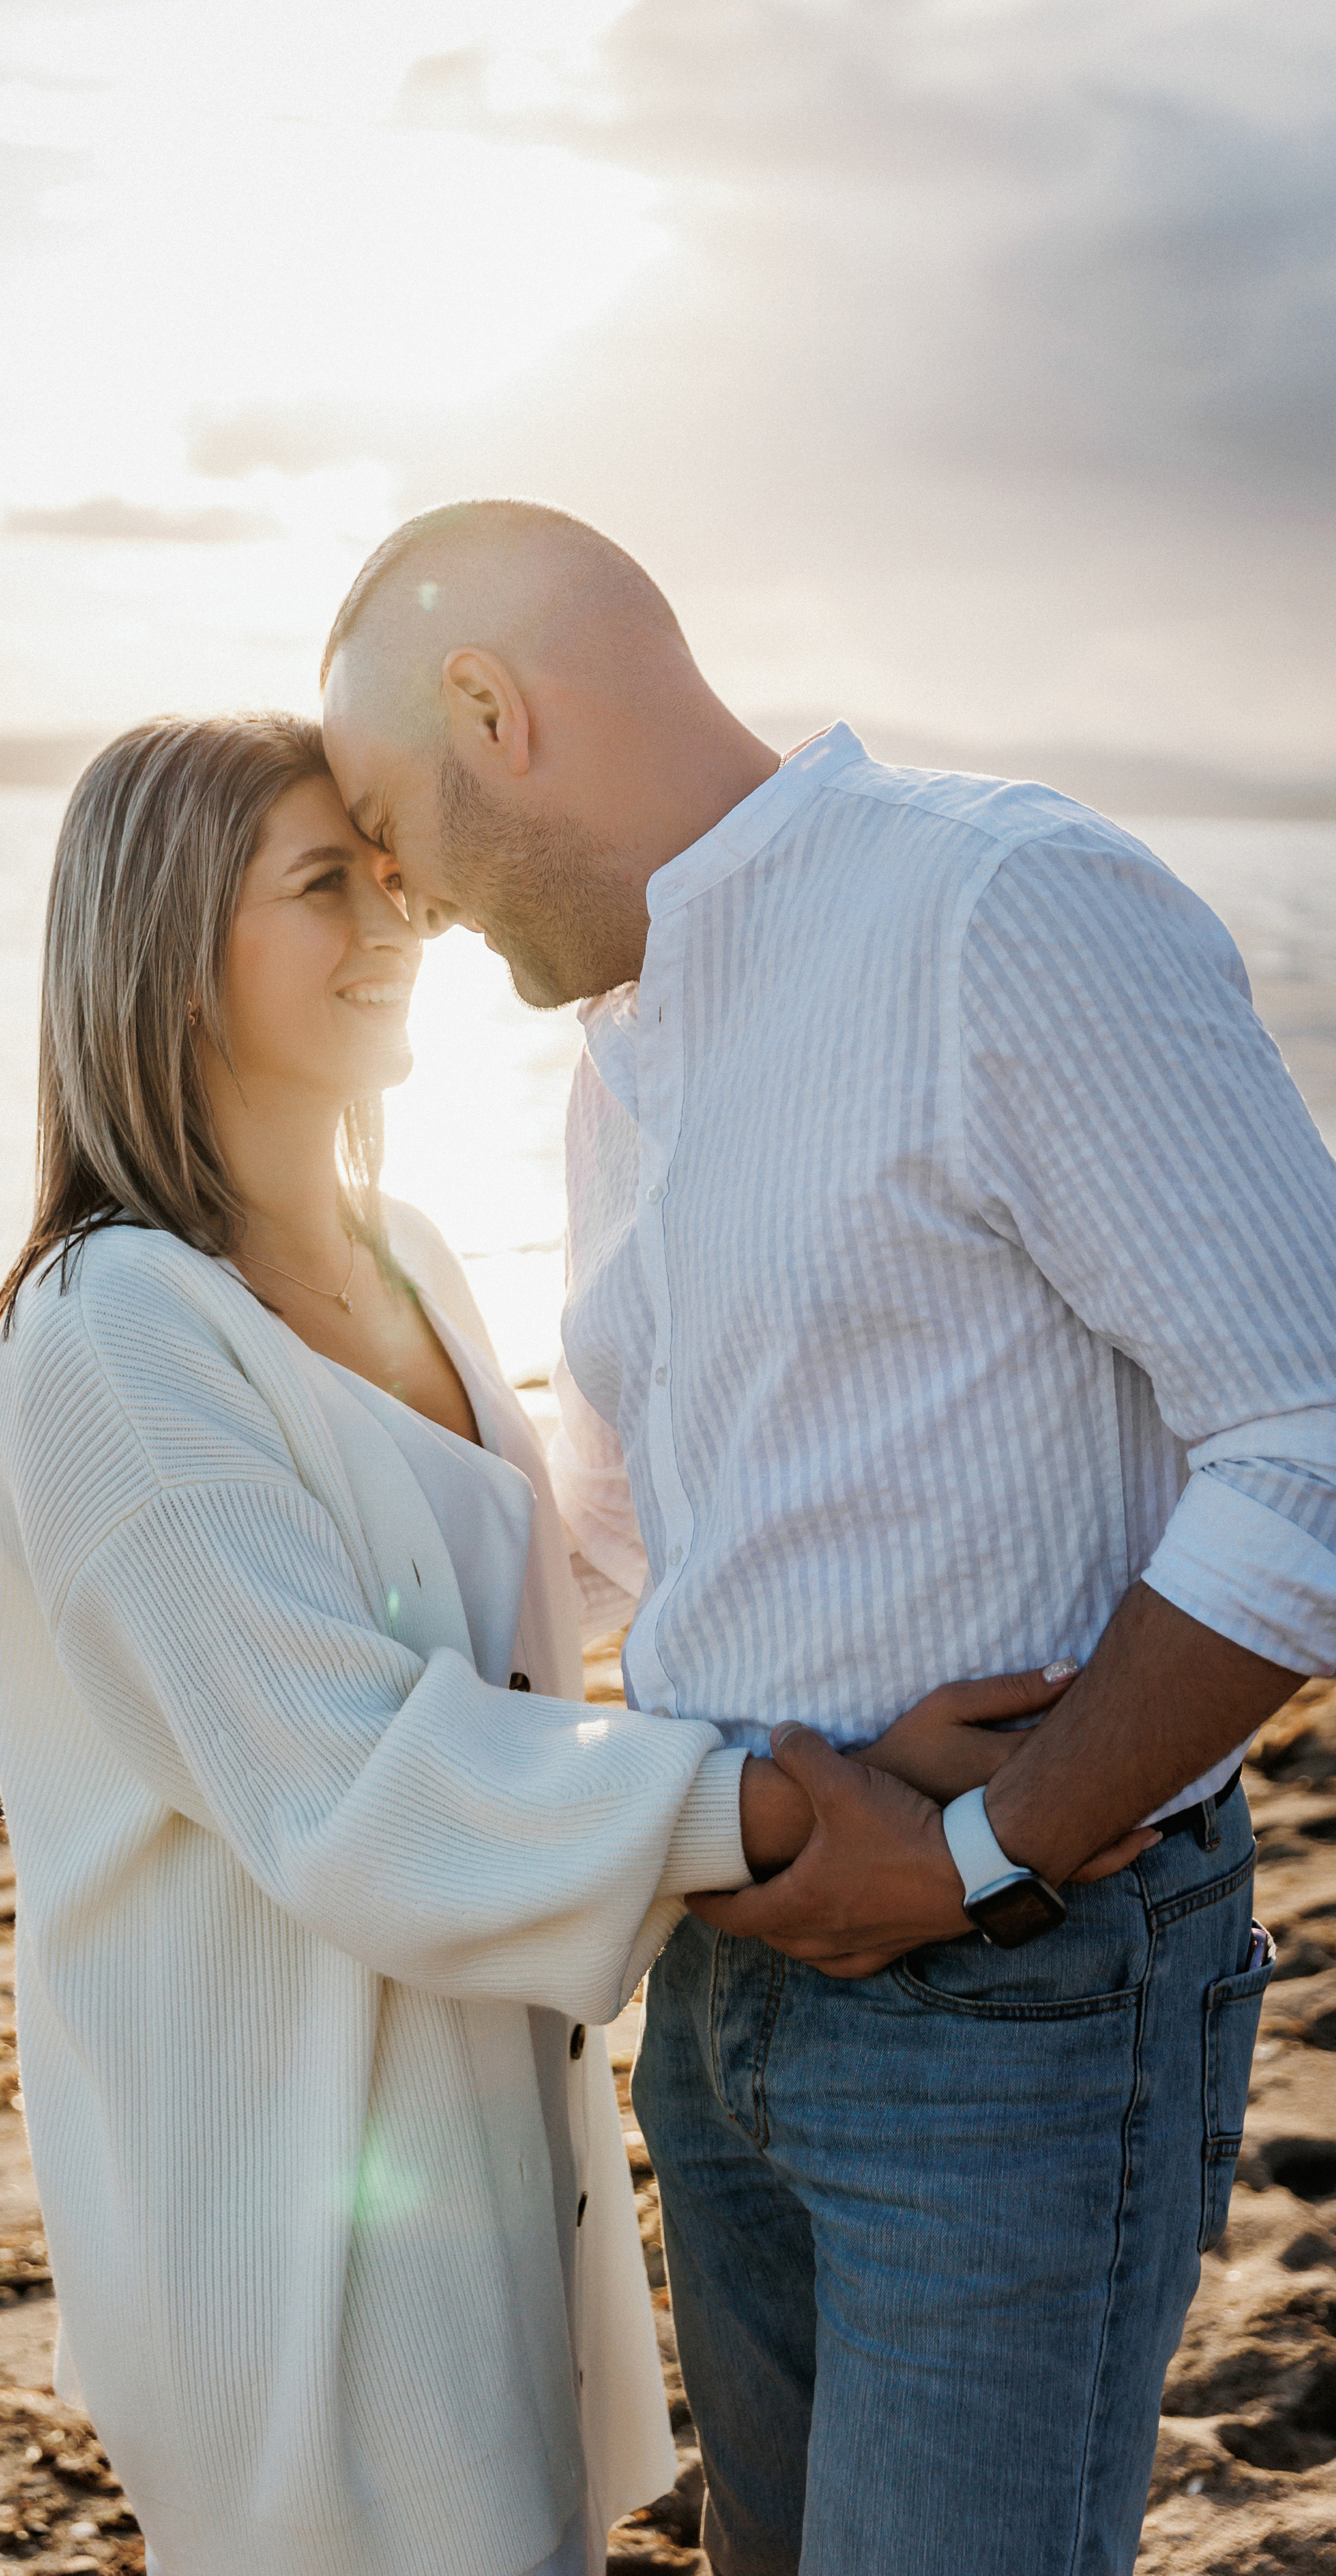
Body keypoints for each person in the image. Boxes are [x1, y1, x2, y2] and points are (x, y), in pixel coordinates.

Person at [318, 500, 1336, 2575]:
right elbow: (617, 1529)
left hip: (1023, 1996)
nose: (392, 897)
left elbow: (1310, 1441)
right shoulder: (620, 1059)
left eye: (379, 816)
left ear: (492, 710)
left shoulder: (1002, 909)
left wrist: (980, 1850)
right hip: (724, 1978)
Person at [0, 712, 1101, 2576]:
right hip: (282, 2182)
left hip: (476, 2125)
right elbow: (352, 1780)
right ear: (166, 946)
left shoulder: (400, 1242)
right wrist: (784, 1808)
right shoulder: (111, 1337)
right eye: (320, 884)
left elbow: (515, 1589)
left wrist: (866, 1617)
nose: (392, 918)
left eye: (387, 870)